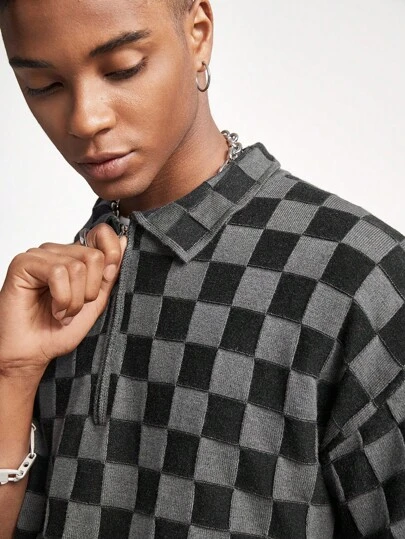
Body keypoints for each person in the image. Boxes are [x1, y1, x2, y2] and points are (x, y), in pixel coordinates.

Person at [0, 0, 404, 538]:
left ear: (197, 34)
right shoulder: (50, 299)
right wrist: (12, 374)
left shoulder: (357, 277)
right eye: (43, 85)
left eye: (122, 69)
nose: (85, 119)